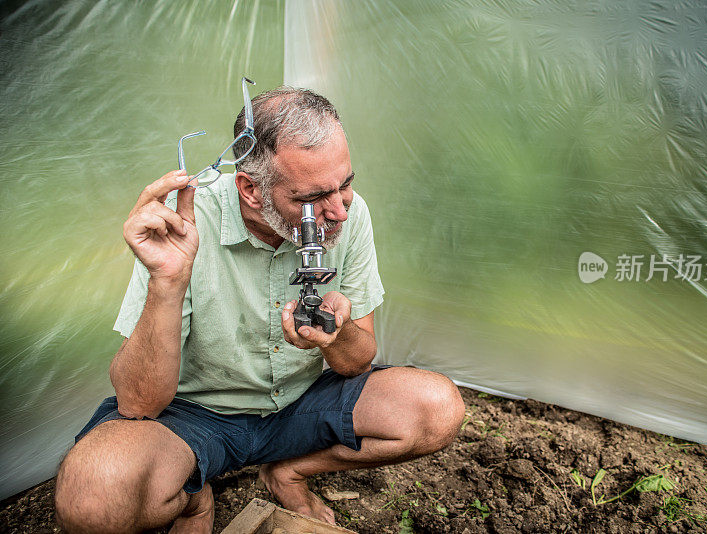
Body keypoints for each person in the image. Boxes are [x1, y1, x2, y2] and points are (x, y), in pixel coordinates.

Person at [54, 87, 465, 533]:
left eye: (345, 183)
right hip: (195, 415)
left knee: (436, 408)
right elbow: (138, 403)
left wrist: (338, 333)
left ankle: (289, 470)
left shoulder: (347, 213)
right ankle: (193, 498)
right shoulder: (185, 225)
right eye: (312, 198)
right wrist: (167, 282)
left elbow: (356, 362)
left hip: (298, 404)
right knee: (91, 499)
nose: (337, 212)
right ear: (251, 189)